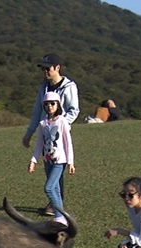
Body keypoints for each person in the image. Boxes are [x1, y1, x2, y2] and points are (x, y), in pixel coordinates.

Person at [22, 53, 80, 216]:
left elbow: (74, 110)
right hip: (45, 133)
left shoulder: (68, 86)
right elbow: (37, 112)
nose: (45, 72)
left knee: (56, 172)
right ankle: (56, 205)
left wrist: (61, 124)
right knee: (50, 169)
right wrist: (29, 133)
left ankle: (57, 208)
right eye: (43, 69)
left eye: (48, 68)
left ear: (57, 68)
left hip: (59, 136)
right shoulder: (44, 87)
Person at [27, 92, 74, 225]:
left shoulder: (62, 121)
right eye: (46, 104)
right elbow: (39, 144)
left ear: (58, 104)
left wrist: (70, 162)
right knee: (55, 189)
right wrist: (33, 160)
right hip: (47, 160)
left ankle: (60, 217)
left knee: (49, 187)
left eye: (52, 103)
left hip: (60, 161)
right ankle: (62, 216)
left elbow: (67, 142)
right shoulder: (43, 124)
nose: (49, 106)